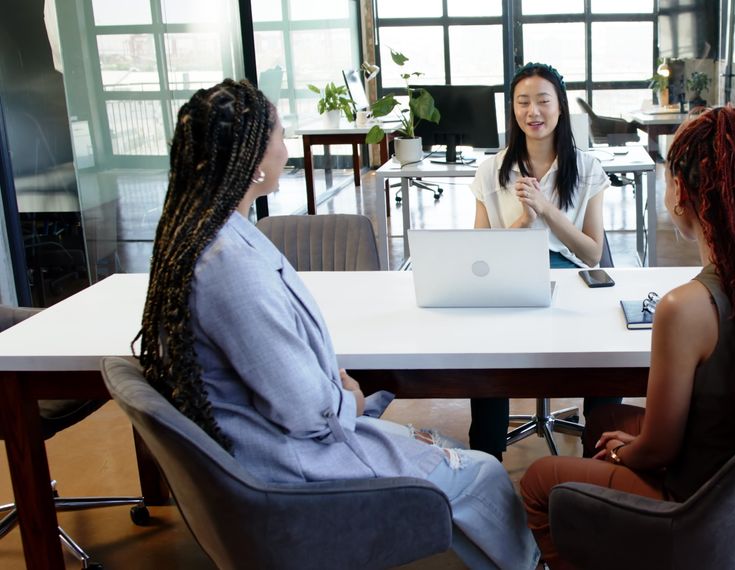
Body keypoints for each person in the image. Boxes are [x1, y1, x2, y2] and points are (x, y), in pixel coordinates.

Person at [134, 79, 539, 570]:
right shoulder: (229, 265)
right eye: (281, 136)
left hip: (276, 446)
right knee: (485, 474)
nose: (288, 148)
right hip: (297, 468)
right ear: (254, 162)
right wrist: (348, 397)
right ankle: (529, 564)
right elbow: (306, 412)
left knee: (447, 449)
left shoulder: (204, 234)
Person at [518, 106, 735, 569]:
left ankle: (625, 535)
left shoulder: (683, 308)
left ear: (684, 195)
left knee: (538, 480)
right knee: (604, 417)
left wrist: (627, 452)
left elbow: (660, 449)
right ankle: (615, 537)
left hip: (699, 502)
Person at [468, 62, 619, 460]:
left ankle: (597, 469)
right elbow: (480, 258)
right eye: (523, 102)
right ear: (513, 110)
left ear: (560, 107)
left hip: (573, 284)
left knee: (607, 361)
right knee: (485, 364)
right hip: (509, 282)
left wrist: (547, 211)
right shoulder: (490, 171)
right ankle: (486, 467)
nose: (533, 112)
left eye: (542, 101)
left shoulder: (587, 168)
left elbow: (591, 251)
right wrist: (523, 221)